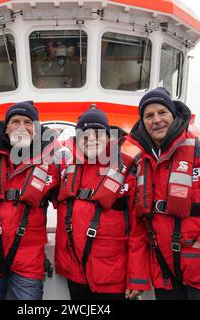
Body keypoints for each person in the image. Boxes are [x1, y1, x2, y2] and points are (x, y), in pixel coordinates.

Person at [125, 87, 200, 300]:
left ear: (173, 116)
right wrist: (137, 277)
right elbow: (139, 226)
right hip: (164, 272)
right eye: (149, 115)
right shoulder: (140, 165)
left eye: (162, 112)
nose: (157, 120)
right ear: (143, 123)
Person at [0, 101, 60, 300]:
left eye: (28, 122)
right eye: (15, 121)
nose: (21, 127)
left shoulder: (52, 163)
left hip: (28, 257)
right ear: (6, 127)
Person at [54, 106, 138, 300]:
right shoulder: (65, 165)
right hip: (74, 270)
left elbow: (138, 228)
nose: (91, 138)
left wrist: (136, 276)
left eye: (98, 133)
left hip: (112, 275)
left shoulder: (128, 167)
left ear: (109, 137)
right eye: (84, 134)